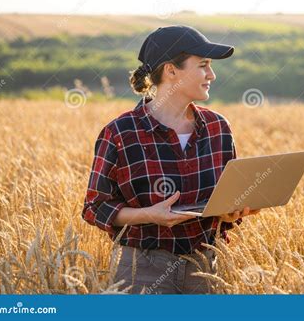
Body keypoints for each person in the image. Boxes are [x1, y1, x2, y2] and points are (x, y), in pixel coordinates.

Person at [82, 25, 260, 294]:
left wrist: (232, 211)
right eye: (202, 65)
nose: (211, 74)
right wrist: (149, 216)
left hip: (206, 267)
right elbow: (94, 208)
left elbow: (224, 199)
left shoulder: (217, 127)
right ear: (171, 70)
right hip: (141, 270)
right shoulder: (120, 133)